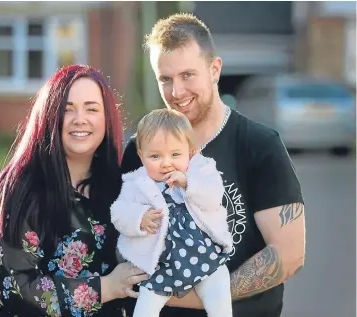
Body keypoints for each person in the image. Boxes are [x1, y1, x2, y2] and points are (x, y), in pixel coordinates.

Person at [121, 13, 306, 317]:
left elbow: (289, 255)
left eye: (187, 75)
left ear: (214, 69)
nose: (176, 92)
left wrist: (206, 295)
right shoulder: (139, 150)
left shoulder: (259, 145)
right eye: (165, 79)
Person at [0, 64, 149, 317]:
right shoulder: (19, 190)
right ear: (49, 117)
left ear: (107, 119)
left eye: (92, 109)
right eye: (68, 109)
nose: (80, 118)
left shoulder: (121, 188)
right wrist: (105, 288)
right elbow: (15, 288)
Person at [111, 109, 233, 317]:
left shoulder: (201, 171)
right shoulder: (136, 183)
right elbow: (119, 213)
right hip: (161, 266)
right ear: (141, 156)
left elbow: (214, 197)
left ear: (191, 152)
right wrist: (140, 218)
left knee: (220, 300)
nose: (166, 163)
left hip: (203, 256)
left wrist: (188, 184)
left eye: (175, 154)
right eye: (155, 156)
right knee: (144, 310)